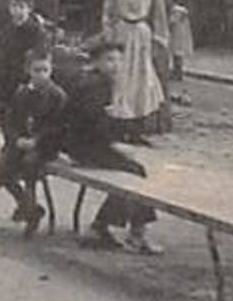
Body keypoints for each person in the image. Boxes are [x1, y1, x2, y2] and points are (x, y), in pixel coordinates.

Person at [54, 41, 162, 255]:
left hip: (82, 144)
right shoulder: (94, 85)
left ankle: (102, 226)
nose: (116, 65)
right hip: (83, 147)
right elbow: (92, 122)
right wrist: (114, 144)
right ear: (97, 63)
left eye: (119, 60)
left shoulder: (100, 82)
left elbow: (108, 120)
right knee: (135, 173)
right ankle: (134, 234)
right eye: (110, 60)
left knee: (130, 171)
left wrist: (128, 136)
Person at [0, 52, 66, 235]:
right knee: (0, 167)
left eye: (45, 70)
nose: (41, 75)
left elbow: (60, 126)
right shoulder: (22, 93)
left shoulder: (57, 96)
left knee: (30, 164)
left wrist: (38, 141)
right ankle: (27, 204)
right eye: (36, 70)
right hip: (21, 142)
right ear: (28, 71)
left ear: (51, 70)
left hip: (45, 145)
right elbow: (10, 121)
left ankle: (29, 211)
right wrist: (16, 139)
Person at [101, 0, 167, 143]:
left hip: (141, 36)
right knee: (120, 79)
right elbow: (108, 11)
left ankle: (137, 129)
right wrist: (108, 31)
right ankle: (118, 127)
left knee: (140, 81)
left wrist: (159, 40)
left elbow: (159, 17)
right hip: (122, 33)